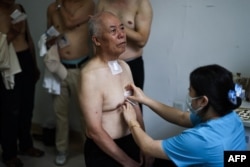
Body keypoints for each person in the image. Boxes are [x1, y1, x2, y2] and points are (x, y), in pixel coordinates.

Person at [122, 64, 247, 167]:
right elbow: (181, 117)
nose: (189, 95)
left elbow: (148, 147)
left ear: (203, 101)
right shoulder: (230, 116)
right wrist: (145, 99)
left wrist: (132, 122)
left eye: (190, 91)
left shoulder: (201, 140)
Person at [78, 11, 152, 167]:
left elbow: (135, 106)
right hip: (103, 149)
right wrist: (127, 162)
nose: (121, 35)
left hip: (132, 140)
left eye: (122, 28)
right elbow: (94, 131)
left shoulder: (125, 66)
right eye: (113, 30)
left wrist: (145, 145)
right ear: (97, 40)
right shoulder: (89, 75)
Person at [46, 0, 95, 165]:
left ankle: (90, 148)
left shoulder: (87, 5)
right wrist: (49, 40)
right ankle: (61, 150)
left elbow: (70, 22)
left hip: (81, 68)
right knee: (60, 114)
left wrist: (60, 6)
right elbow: (49, 33)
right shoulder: (51, 8)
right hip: (59, 68)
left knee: (85, 114)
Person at [0, 0, 44, 167]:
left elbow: (29, 38)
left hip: (25, 60)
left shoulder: (19, 8)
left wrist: (34, 65)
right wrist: (11, 33)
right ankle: (9, 153)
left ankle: (26, 145)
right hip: (8, 65)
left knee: (27, 107)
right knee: (10, 111)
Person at [96, 0, 153, 111]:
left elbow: (142, 40)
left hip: (132, 64)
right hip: (107, 63)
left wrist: (116, 26)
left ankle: (137, 129)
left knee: (134, 105)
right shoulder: (103, 3)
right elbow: (96, 34)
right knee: (107, 106)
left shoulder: (141, 3)